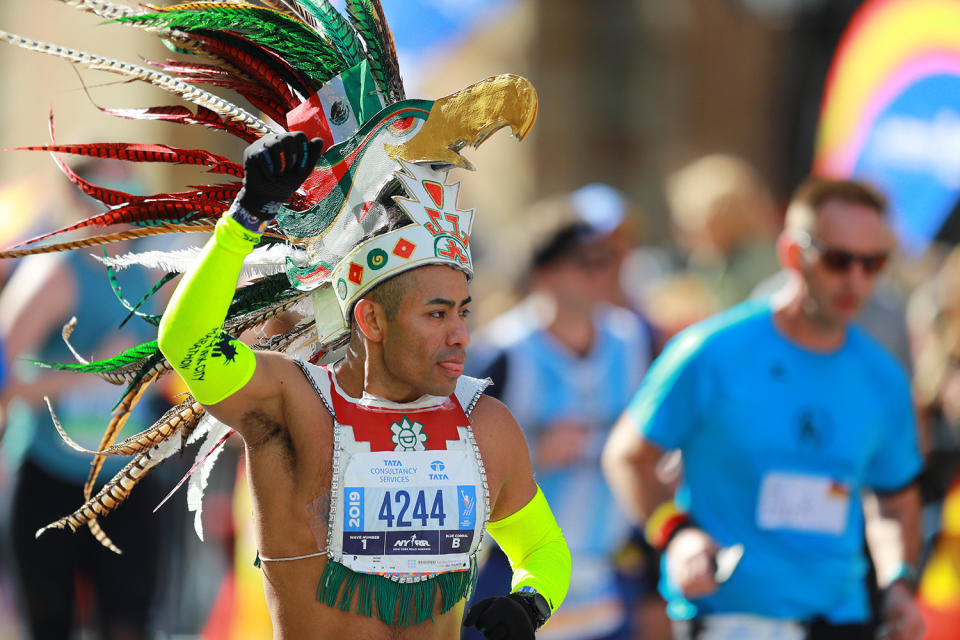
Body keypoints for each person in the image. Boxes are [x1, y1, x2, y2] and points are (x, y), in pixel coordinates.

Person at [154, 130, 570, 639]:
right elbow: (187, 344)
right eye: (436, 314)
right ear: (371, 321)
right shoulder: (292, 402)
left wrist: (530, 603)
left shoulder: (485, 423)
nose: (460, 334)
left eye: (463, 311)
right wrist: (244, 219)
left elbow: (542, 547)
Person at [602, 177, 925, 640]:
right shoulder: (712, 351)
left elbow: (895, 500)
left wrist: (897, 584)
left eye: (873, 264)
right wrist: (676, 533)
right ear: (793, 254)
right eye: (838, 260)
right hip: (728, 618)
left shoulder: (882, 376)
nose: (856, 279)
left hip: (840, 620)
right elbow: (628, 456)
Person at [464, 202, 657, 640]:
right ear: (544, 273)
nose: (604, 273)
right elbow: (455, 464)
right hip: (517, 575)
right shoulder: (502, 353)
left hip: (607, 577)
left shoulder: (635, 340)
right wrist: (529, 456)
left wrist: (651, 579)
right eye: (588, 262)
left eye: (611, 260)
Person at [0, 161, 169, 639]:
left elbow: (166, 375)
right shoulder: (55, 274)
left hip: (126, 482)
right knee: (51, 626)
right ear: (81, 200)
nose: (130, 198)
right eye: (113, 189)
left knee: (128, 625)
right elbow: (5, 379)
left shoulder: (150, 270)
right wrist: (88, 370)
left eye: (134, 187)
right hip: (51, 480)